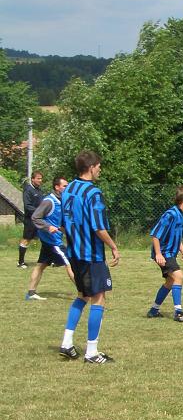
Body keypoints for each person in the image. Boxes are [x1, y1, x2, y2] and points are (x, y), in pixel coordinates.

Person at [58, 151, 120, 363]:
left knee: (82, 295)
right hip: (91, 254)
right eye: (99, 166)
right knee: (99, 298)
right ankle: (92, 352)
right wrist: (113, 246)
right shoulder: (93, 192)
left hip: (74, 253)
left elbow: (63, 222)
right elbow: (98, 227)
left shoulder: (68, 189)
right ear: (91, 167)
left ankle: (67, 343)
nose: (100, 170)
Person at [146, 186, 183, 322]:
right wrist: (158, 254)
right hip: (164, 253)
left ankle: (153, 310)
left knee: (170, 281)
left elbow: (177, 236)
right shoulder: (170, 214)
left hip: (170, 254)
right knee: (179, 276)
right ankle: (178, 313)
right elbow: (155, 235)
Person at [25, 176, 74, 300]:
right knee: (70, 264)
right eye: (65, 186)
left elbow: (58, 222)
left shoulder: (62, 201)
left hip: (49, 240)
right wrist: (48, 227)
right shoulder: (49, 201)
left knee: (40, 265)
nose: (67, 188)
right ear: (57, 187)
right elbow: (35, 217)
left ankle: (31, 293)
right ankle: (85, 293)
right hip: (53, 242)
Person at [18, 171, 44, 268]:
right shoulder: (28, 190)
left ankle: (49, 260)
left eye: (41, 178)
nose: (40, 180)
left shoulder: (39, 190)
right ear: (33, 179)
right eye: (38, 178)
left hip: (39, 219)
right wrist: (39, 211)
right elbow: (27, 206)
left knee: (46, 238)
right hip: (30, 220)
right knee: (26, 240)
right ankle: (20, 262)